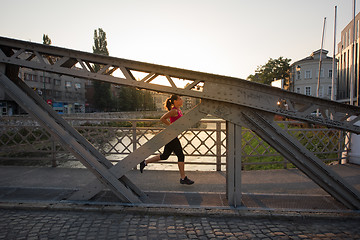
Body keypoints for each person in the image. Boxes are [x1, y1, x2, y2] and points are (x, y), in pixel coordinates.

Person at [139, 94, 194, 185]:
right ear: (175, 101)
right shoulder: (173, 111)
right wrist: (171, 127)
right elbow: (162, 119)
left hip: (172, 135)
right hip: (171, 135)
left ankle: (145, 162)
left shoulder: (178, 110)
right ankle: (183, 178)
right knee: (181, 156)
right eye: (180, 99)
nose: (182, 100)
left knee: (165, 156)